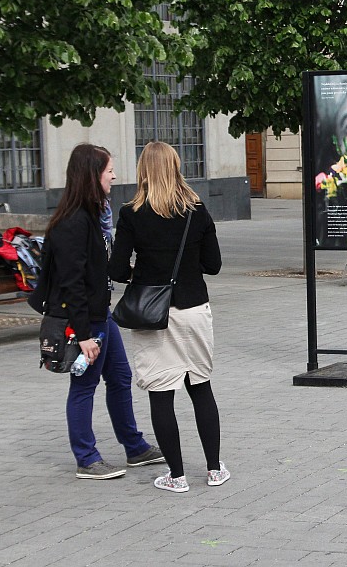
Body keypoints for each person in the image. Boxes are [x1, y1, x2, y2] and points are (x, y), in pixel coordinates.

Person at [109, 141, 227, 493]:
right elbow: (213, 265)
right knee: (200, 387)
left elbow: (117, 269)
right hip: (194, 309)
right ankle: (214, 470)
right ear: (176, 167)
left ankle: (176, 476)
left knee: (161, 394)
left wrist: (144, 274)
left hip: (153, 314)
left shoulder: (131, 214)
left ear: (143, 170)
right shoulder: (196, 210)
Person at [40, 144, 163, 479]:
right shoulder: (73, 222)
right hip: (85, 321)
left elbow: (97, 269)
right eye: (109, 170)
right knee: (84, 385)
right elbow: (71, 283)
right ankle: (87, 458)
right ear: (92, 175)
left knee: (120, 377)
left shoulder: (94, 215)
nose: (114, 176)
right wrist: (83, 336)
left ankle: (135, 447)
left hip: (101, 315)